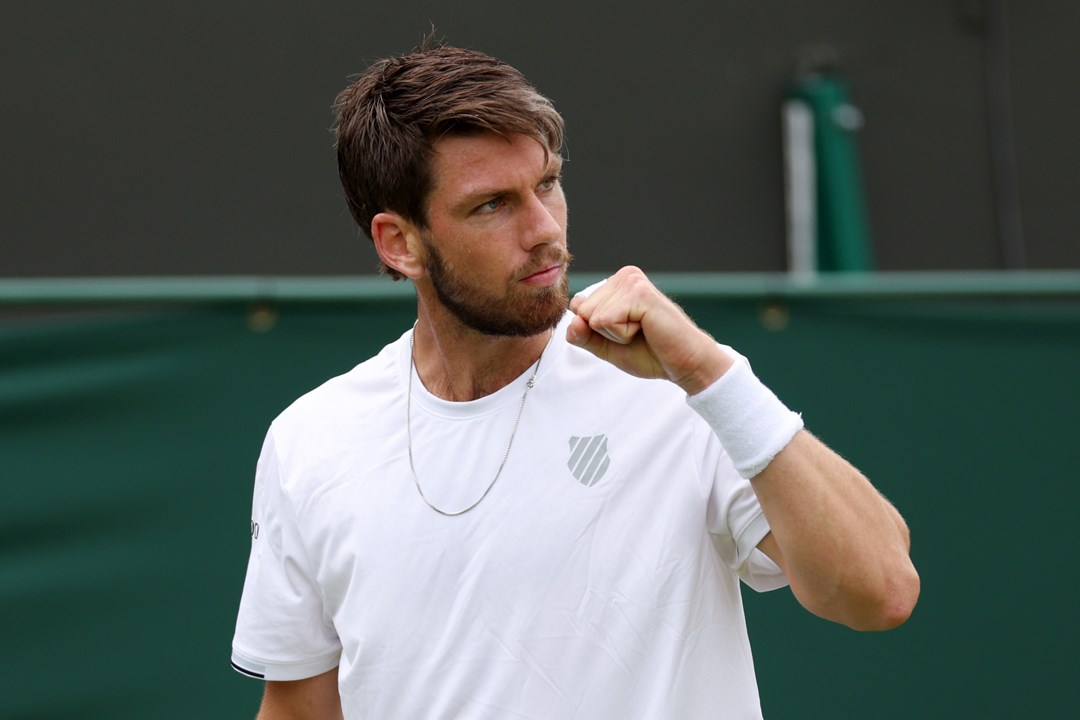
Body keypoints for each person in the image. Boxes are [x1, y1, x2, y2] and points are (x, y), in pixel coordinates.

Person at [230, 41, 919, 719]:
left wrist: (711, 373)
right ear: (399, 243)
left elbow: (881, 592)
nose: (543, 230)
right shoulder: (310, 441)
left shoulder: (683, 392)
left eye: (548, 184)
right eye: (491, 205)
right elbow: (300, 708)